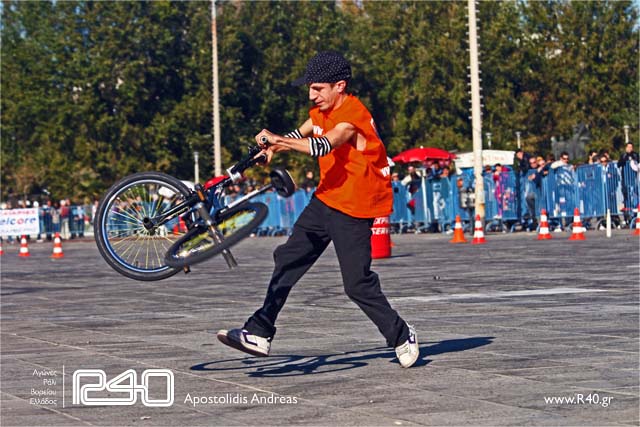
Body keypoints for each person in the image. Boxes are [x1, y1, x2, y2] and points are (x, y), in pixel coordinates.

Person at [217, 51, 419, 368]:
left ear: (340, 86)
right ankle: (259, 332)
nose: (312, 95)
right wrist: (272, 148)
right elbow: (303, 133)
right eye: (310, 88)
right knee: (287, 259)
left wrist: (279, 140)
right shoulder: (321, 111)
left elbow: (322, 145)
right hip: (326, 199)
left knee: (356, 284)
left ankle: (401, 334)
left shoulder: (352, 116)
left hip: (355, 207)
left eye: (318, 88)